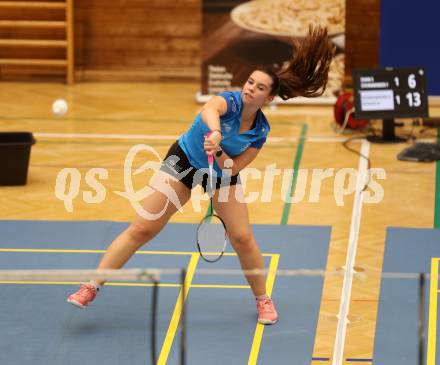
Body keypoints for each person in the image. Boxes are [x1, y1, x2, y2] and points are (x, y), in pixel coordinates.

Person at [67, 25, 335, 325]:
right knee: (143, 228)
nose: (251, 88)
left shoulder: (260, 131)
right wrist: (216, 131)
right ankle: (91, 286)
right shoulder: (229, 102)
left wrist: (220, 153)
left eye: (260, 87)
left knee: (243, 238)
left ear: (269, 98)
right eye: (250, 82)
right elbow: (209, 109)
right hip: (184, 161)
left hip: (220, 173)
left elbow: (236, 168)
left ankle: (263, 300)